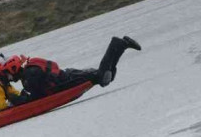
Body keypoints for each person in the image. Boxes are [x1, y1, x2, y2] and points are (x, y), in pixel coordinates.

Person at [12, 35, 142, 101]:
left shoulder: (30, 75)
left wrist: (19, 99)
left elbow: (37, 94)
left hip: (68, 79)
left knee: (102, 78)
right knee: (107, 78)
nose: (12, 79)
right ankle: (122, 45)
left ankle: (117, 44)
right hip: (68, 76)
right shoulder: (30, 70)